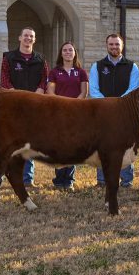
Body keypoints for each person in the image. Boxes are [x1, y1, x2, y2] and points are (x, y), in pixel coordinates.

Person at [0, 26, 49, 188]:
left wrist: (37, 94)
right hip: (13, 106)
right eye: (25, 35)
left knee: (29, 143)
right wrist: (17, 96)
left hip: (33, 108)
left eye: (31, 36)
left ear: (34, 40)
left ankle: (27, 179)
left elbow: (44, 80)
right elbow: (4, 80)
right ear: (19, 38)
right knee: (7, 143)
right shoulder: (9, 58)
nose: (28, 38)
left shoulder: (41, 60)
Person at [89, 33, 139, 188]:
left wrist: (119, 104)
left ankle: (126, 180)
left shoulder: (132, 66)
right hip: (103, 113)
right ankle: (103, 181)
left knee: (125, 145)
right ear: (107, 46)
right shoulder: (97, 66)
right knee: (102, 145)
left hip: (125, 113)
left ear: (122, 46)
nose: (114, 47)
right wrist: (108, 105)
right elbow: (93, 89)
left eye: (117, 44)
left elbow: (133, 89)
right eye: (111, 44)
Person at [46, 41, 89, 191]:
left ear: (75, 53)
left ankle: (69, 180)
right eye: (65, 50)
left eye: (70, 50)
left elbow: (84, 92)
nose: (68, 52)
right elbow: (50, 91)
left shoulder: (81, 72)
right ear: (61, 53)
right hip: (59, 113)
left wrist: (74, 105)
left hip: (76, 114)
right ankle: (59, 180)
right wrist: (63, 105)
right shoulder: (54, 72)